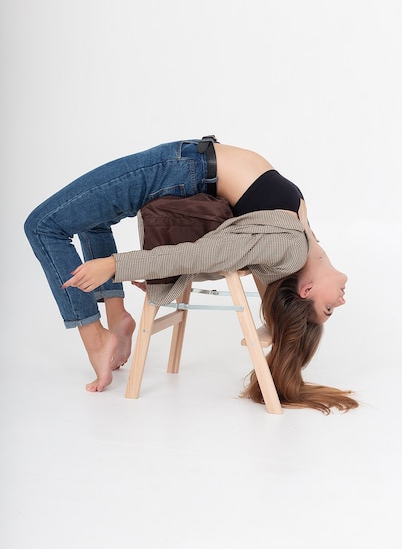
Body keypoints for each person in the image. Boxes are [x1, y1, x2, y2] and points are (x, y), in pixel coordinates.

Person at [24, 136, 358, 413]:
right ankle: (116, 315)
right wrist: (278, 326)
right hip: (190, 167)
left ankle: (95, 338)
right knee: (91, 217)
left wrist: (116, 265)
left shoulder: (285, 247)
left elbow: (202, 256)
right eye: (330, 310)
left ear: (307, 290)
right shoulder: (301, 243)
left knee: (43, 226)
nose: (340, 303)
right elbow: (228, 258)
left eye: (328, 308)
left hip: (180, 169)